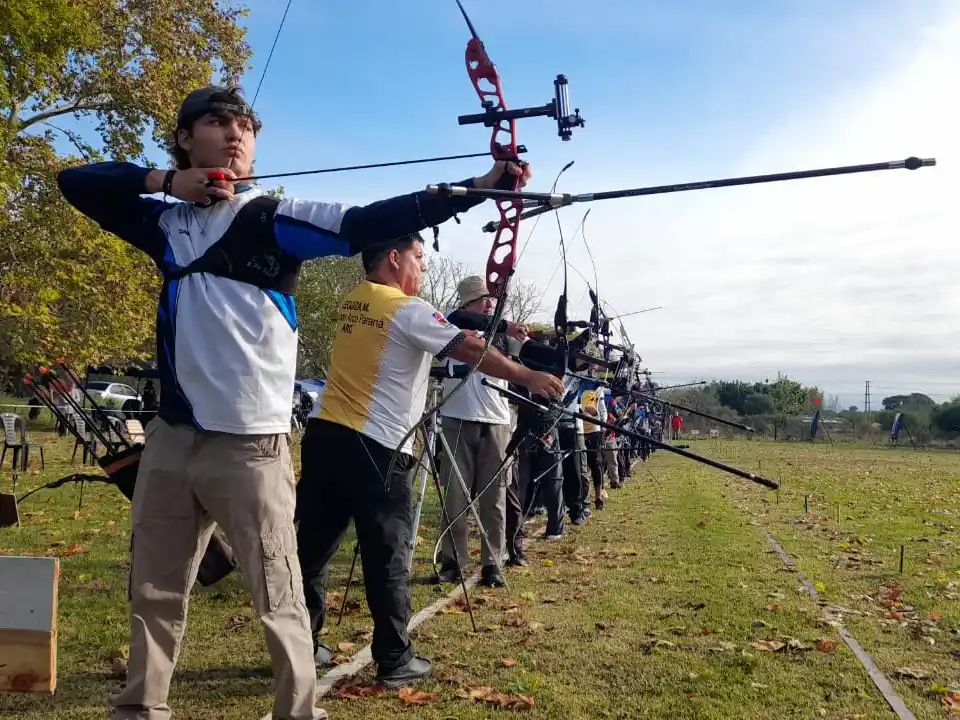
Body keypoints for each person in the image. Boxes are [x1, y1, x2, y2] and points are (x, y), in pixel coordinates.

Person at [56, 84, 530, 720]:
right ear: (186, 138)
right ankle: (143, 706)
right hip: (170, 436)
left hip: (249, 444)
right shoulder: (163, 221)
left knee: (277, 589)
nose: (235, 135)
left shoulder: (271, 218)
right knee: (154, 585)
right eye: (218, 123)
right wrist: (167, 180)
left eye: (245, 126)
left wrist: (476, 185)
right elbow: (76, 181)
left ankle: (298, 710)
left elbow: (365, 222)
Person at [295, 233, 563, 689]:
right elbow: (470, 349)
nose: (422, 268)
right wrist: (527, 375)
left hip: (323, 438)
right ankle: (395, 658)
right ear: (393, 258)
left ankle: (301, 646)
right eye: (419, 257)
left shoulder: (352, 301)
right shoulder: (407, 309)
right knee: (388, 555)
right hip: (378, 445)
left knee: (312, 550)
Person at [434, 276, 527, 588]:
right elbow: (457, 323)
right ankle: (452, 562)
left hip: (497, 422)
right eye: (480, 299)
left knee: (494, 498)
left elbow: (522, 357)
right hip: (455, 418)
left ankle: (493, 562)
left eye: (490, 298)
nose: (487, 303)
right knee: (455, 497)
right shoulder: (448, 323)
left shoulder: (500, 333)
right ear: (465, 302)